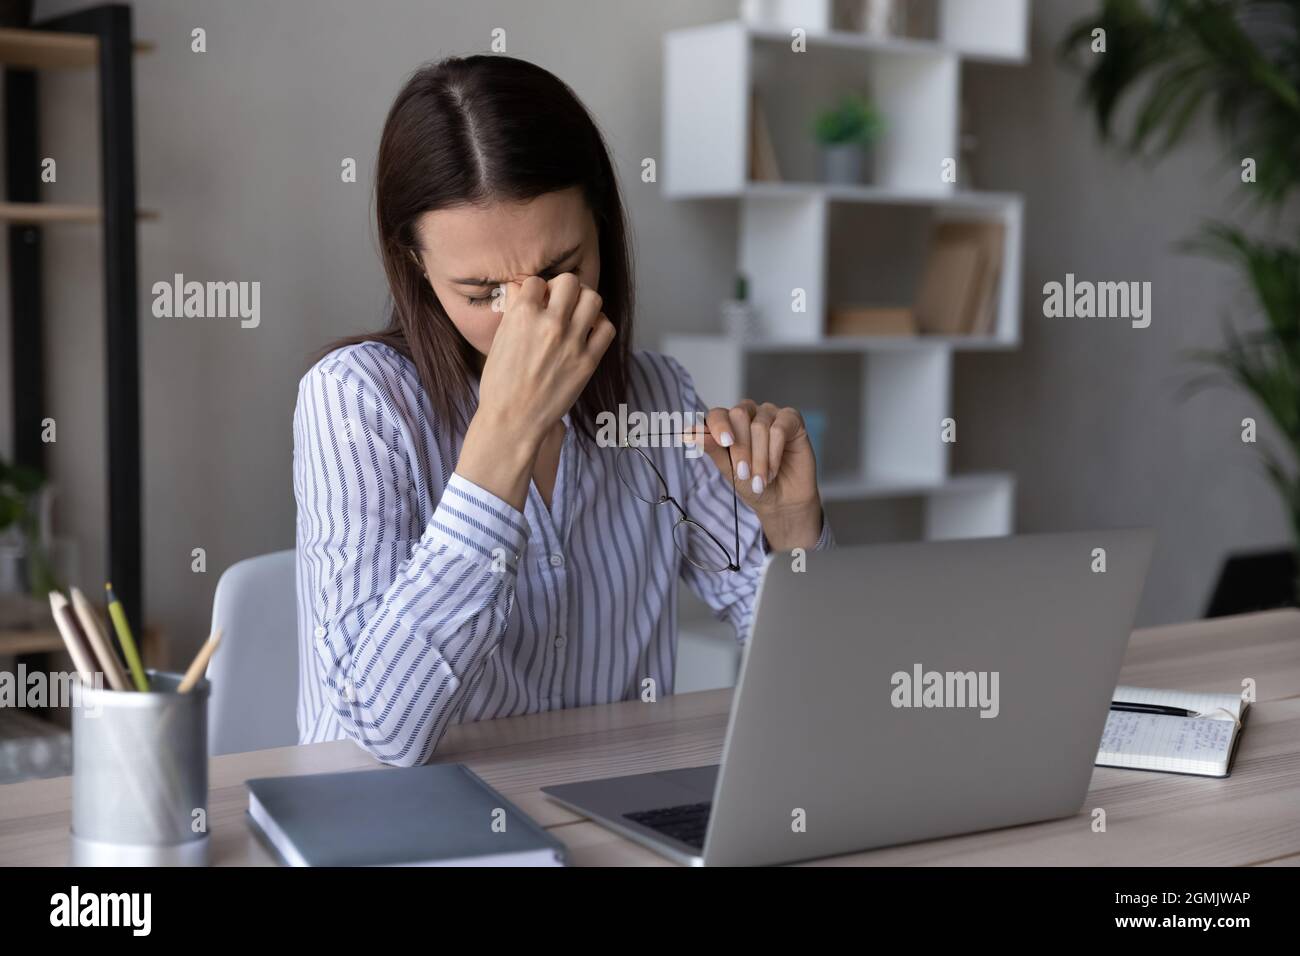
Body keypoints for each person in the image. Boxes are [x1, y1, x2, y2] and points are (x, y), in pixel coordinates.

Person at [293, 54, 832, 766]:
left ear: (602, 229)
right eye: (483, 291)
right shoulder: (356, 401)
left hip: (610, 817)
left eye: (559, 270)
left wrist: (792, 534)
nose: (530, 318)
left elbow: (815, 682)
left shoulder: (659, 400)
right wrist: (504, 436)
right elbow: (382, 734)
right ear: (417, 265)